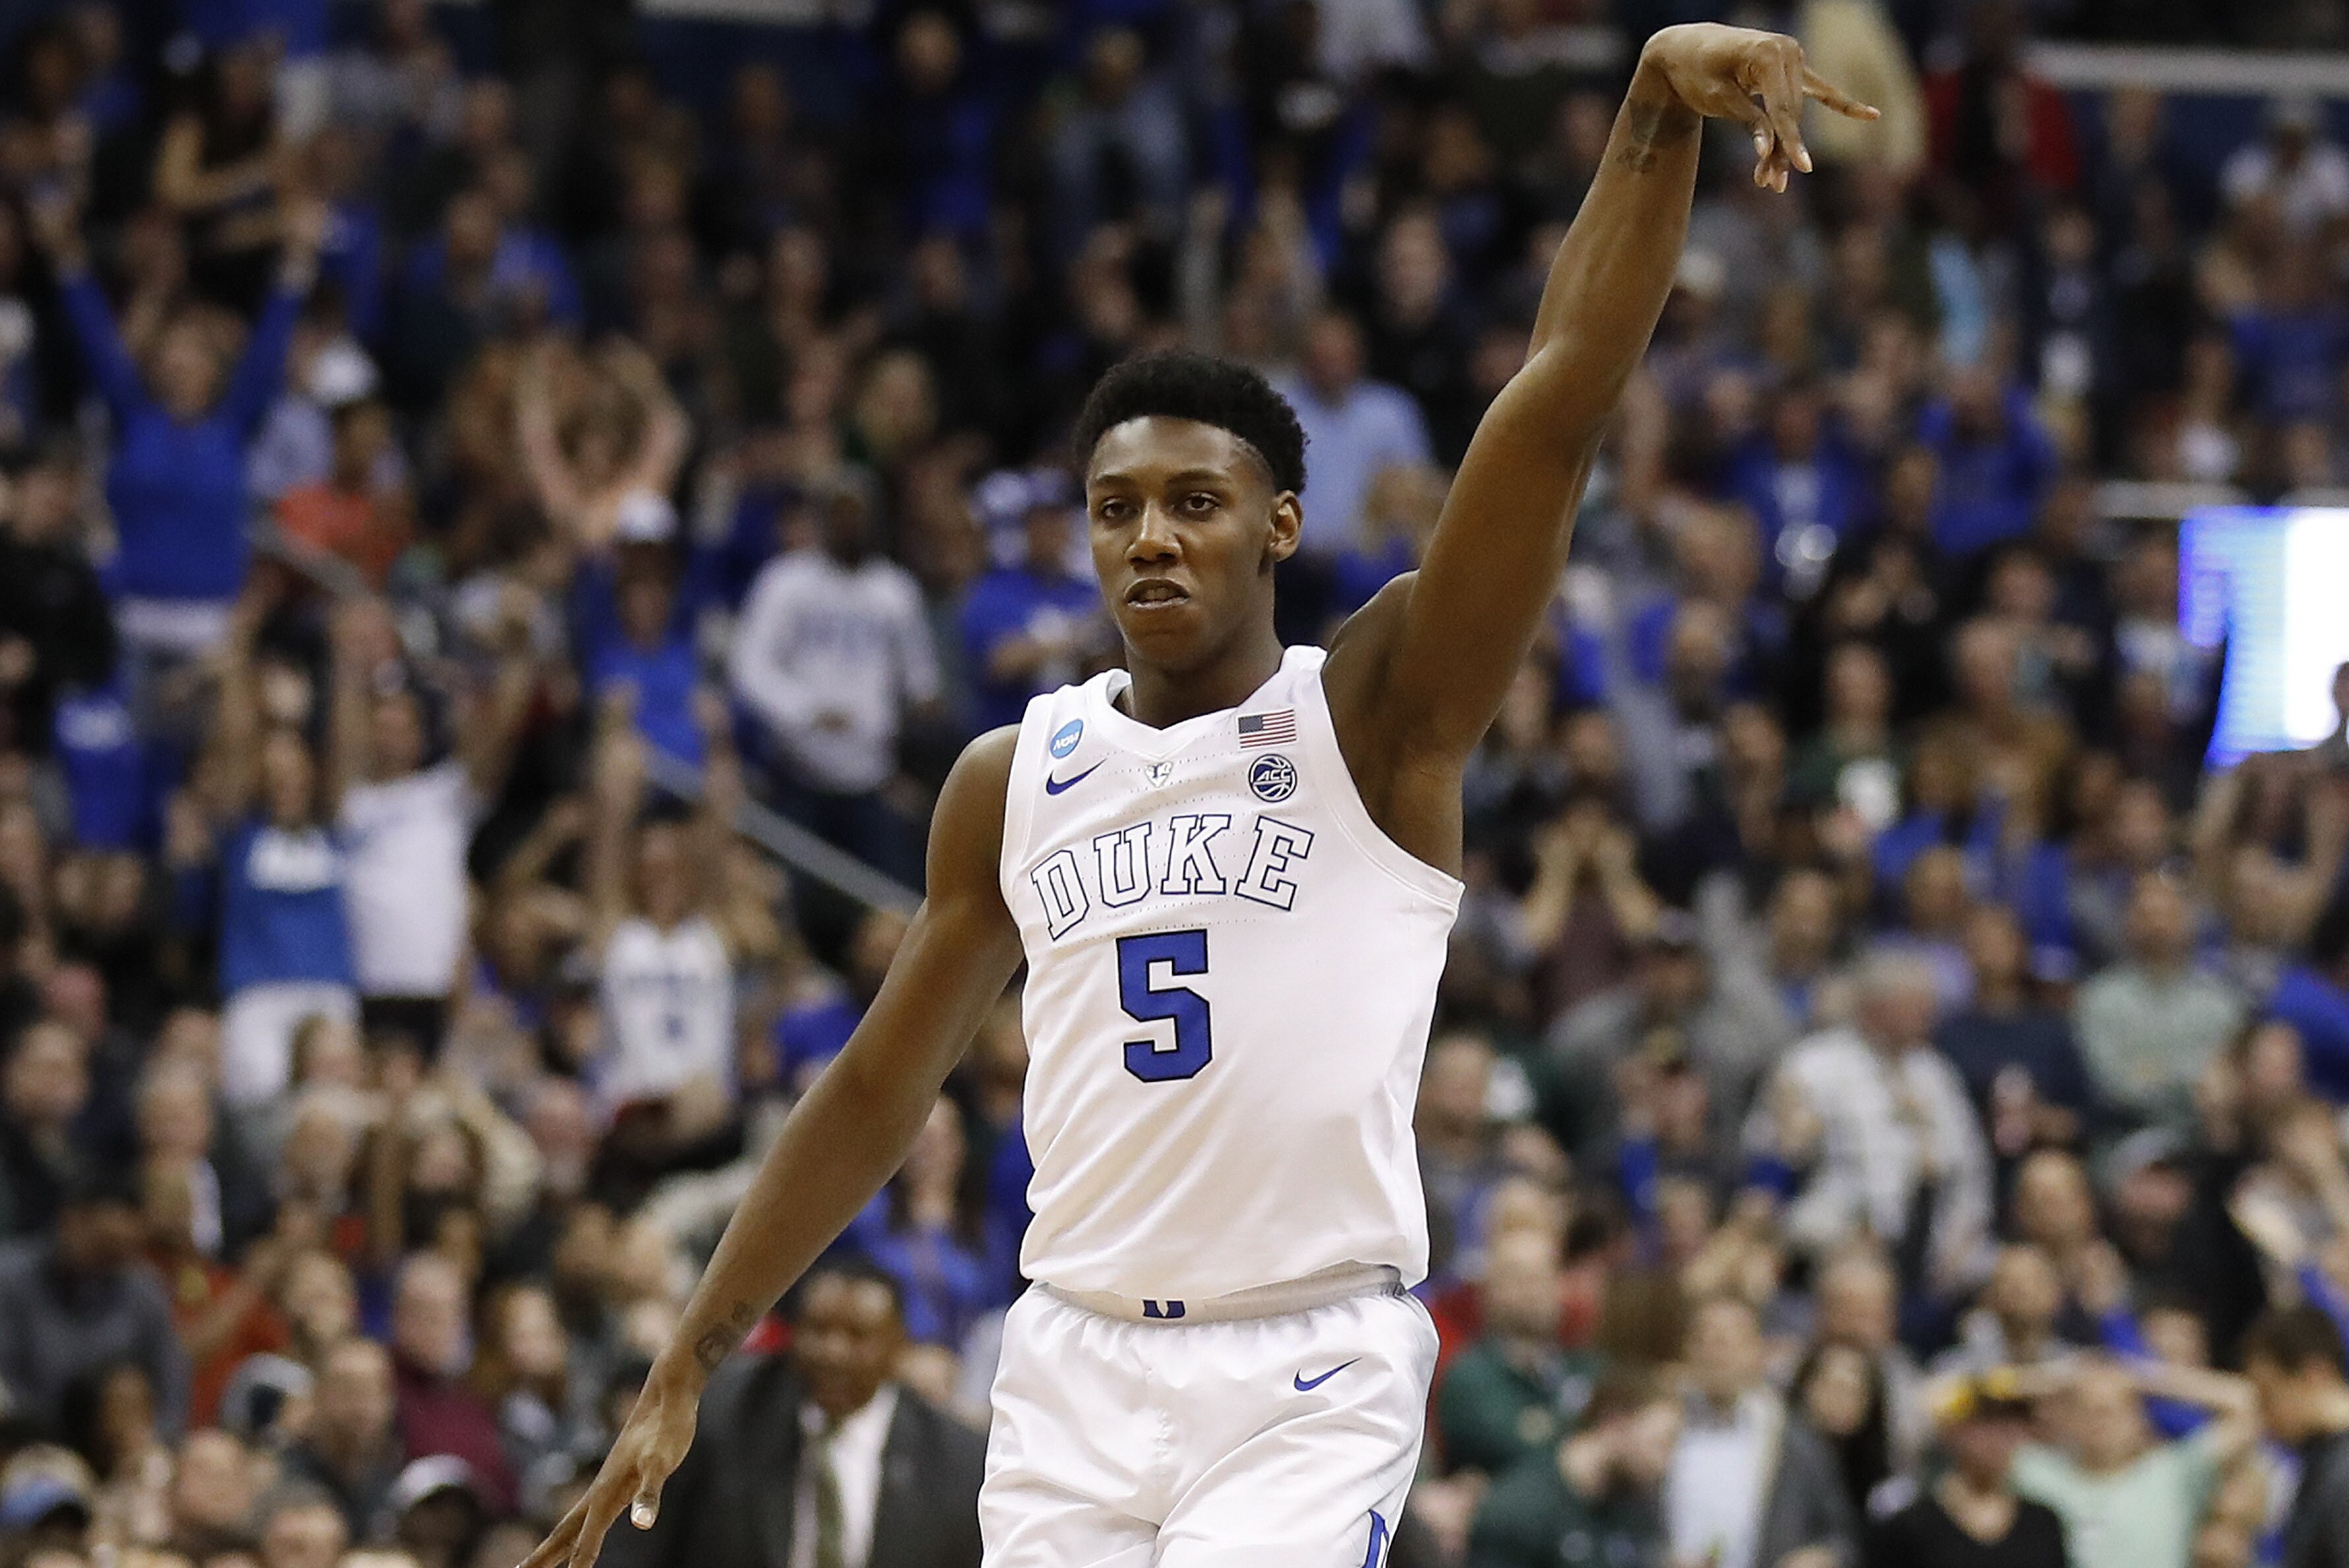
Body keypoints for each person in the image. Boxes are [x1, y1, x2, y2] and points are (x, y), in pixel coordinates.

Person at [525, 27, 1876, 1568]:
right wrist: (692, 1350)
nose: (1148, 538)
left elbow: (1555, 404)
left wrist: (1647, 112)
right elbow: (875, 1088)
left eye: (1192, 502)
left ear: (1278, 524)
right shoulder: (1010, 777)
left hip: (1304, 1369)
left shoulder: (1375, 713)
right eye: (1115, 510)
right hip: (1071, 1364)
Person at [599, 1262, 985, 1568]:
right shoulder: (716, 1413)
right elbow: (631, 1548)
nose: (833, 1352)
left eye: (857, 1335)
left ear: (898, 1346)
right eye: (817, 1330)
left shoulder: (957, 1463)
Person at [2004, 1356, 2261, 1568]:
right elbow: (1967, 1393)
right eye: (2087, 1408)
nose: (2100, 1420)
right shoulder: (2038, 1473)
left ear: (2139, 1420)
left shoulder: (2171, 1475)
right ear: (2068, 1419)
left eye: (2113, 1409)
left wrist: (2143, 1375)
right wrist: (2060, 1377)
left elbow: (2243, 1402)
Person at [1664, 1294, 1857, 1568]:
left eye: (1732, 1341)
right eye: (1707, 1339)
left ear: (1758, 1351)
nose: (1718, 1352)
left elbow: (1840, 1537)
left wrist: (1820, 1558)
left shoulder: (1791, 1439)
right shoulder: (1659, 1427)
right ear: (1687, 1348)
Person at [0, 1167, 190, 1439]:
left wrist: (154, 1444)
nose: (111, 1261)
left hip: (119, 1448)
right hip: (26, 1442)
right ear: (71, 1223)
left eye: (125, 1250)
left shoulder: (144, 1290)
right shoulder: (9, 1280)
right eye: (104, 1245)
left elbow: (172, 1387)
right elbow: (5, 1380)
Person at [1466, 1367, 1684, 1568]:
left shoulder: (1634, 1509)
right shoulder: (1521, 1510)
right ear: (1616, 1423)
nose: (1664, 1464)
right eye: (1660, 1445)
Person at [1865, 1372, 2065, 1568]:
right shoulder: (1911, 1528)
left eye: (2010, 1423)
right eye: (1986, 1421)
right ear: (1954, 1430)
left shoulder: (2042, 1523)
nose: (1999, 1437)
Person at [2240, 1305, 2349, 1568]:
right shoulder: (2321, 1460)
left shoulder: (2342, 1471)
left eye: (2269, 1396)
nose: (2265, 1417)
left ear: (2315, 1375)